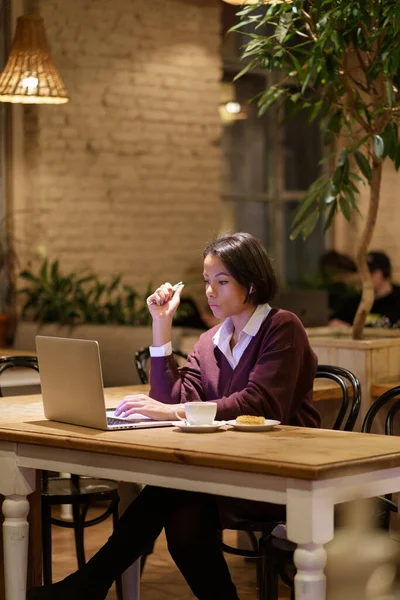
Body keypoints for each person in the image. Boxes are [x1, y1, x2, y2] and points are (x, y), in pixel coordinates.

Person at [28, 232, 320, 600]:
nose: (209, 291)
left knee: (174, 502)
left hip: (281, 473)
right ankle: (88, 586)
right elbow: (170, 397)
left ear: (252, 282)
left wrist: (172, 410)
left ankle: (87, 585)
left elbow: (259, 404)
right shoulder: (209, 340)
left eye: (222, 281)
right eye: (206, 281)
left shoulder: (282, 327)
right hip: (225, 469)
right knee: (182, 516)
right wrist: (161, 325)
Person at [329, 251, 400, 328]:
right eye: (362, 273)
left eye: (370, 272)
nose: (365, 277)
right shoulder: (356, 302)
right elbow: (334, 322)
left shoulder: (397, 299)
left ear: (384, 272)